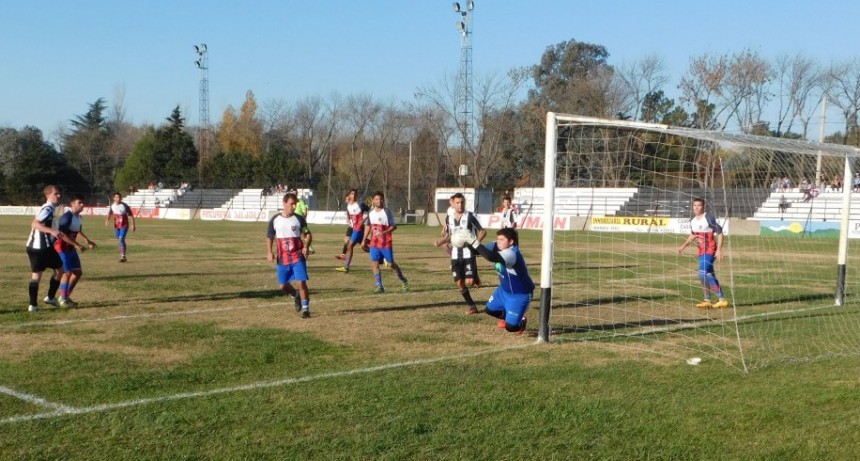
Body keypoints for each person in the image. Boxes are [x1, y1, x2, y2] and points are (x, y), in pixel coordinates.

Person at [462, 227, 534, 333]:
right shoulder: (497, 245)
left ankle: (521, 321)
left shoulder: (512, 254)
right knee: (490, 310)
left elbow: (490, 256)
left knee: (511, 328)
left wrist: (474, 241)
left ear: (511, 241)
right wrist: (467, 241)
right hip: (504, 290)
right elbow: (476, 251)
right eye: (498, 239)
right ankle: (509, 318)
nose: (498, 242)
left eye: (501, 240)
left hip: (519, 294)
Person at [433, 192, 486, 315]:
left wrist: (475, 243)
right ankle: (472, 307)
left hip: (468, 253)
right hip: (455, 254)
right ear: (453, 204)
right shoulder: (449, 218)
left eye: (462, 202)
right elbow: (449, 236)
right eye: (457, 202)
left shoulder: (470, 217)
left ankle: (475, 277)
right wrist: (440, 242)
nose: (460, 205)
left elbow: (483, 231)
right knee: (459, 283)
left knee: (469, 282)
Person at [25, 185, 74, 312]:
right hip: (43, 247)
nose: (59, 196)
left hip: (31, 246)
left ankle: (33, 305)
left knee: (36, 275)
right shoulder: (47, 209)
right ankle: (50, 297)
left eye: (59, 194)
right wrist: (52, 230)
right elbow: (35, 224)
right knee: (60, 270)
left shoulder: (47, 208)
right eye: (56, 194)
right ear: (48, 195)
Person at [266, 192, 313, 318]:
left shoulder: (299, 219)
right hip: (282, 258)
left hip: (297, 256)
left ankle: (306, 310)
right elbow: (270, 237)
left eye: (295, 204)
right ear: (284, 203)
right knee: (283, 285)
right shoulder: (275, 220)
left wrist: (306, 246)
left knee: (301, 283)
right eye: (291, 204)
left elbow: (307, 234)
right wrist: (269, 251)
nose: (293, 206)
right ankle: (295, 295)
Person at [678, 197, 728, 309]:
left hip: (710, 249)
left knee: (701, 273)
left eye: (699, 205)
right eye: (694, 205)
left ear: (703, 207)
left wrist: (719, 250)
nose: (696, 207)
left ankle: (718, 298)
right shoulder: (692, 220)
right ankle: (712, 300)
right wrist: (684, 246)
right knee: (708, 274)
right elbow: (693, 235)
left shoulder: (708, 217)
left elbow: (719, 232)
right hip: (701, 251)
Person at [54, 194, 97, 308]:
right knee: (67, 273)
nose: (82, 205)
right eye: (79, 203)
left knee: (77, 272)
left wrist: (87, 240)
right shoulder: (67, 217)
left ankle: (65, 296)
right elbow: (61, 235)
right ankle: (63, 300)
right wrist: (77, 245)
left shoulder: (79, 217)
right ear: (72, 204)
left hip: (70, 247)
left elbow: (78, 231)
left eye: (83, 203)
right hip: (61, 248)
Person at [361, 191, 409, 293]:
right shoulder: (371, 212)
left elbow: (393, 226)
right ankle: (379, 286)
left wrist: (384, 232)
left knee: (391, 264)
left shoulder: (387, 212)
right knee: (374, 263)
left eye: (381, 199)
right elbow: (368, 226)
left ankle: (403, 280)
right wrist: (364, 240)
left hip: (386, 243)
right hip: (374, 242)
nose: (379, 201)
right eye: (377, 199)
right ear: (373, 201)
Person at [335, 189, 369, 273]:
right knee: (364, 247)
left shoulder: (360, 204)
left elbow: (370, 211)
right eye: (352, 193)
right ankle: (382, 256)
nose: (354, 195)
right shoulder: (349, 206)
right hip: (354, 229)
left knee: (349, 246)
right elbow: (350, 215)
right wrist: (349, 219)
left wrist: (364, 219)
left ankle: (346, 267)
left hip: (359, 229)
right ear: (349, 195)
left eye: (355, 194)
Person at [105, 192, 136, 262]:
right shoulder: (112, 206)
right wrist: (107, 220)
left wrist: (133, 225)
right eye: (116, 197)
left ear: (121, 198)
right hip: (116, 226)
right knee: (120, 240)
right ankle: (123, 256)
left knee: (121, 239)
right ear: (114, 198)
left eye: (119, 197)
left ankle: (123, 256)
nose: (117, 199)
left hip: (124, 225)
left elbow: (130, 215)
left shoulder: (125, 205)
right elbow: (110, 213)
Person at [292, 189, 314, 254]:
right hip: (293, 221)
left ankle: (308, 248)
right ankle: (307, 248)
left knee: (305, 234)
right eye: (293, 193)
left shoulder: (300, 201)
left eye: (295, 193)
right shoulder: (291, 202)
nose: (294, 195)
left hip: (300, 221)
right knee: (296, 235)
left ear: (297, 194)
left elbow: (304, 209)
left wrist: (304, 218)